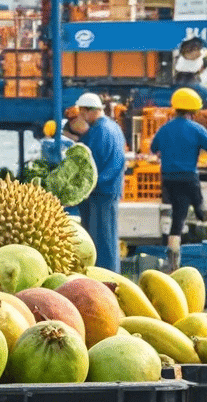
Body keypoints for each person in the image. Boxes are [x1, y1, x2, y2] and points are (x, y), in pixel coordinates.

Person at [150, 87, 207, 270]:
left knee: (179, 215)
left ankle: (173, 256)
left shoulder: (165, 129)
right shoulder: (195, 129)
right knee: (201, 211)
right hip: (189, 178)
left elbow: (153, 147)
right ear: (194, 112)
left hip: (169, 179)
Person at [75, 92, 126, 272]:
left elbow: (89, 162)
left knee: (102, 242)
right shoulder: (113, 127)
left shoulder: (99, 131)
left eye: (81, 112)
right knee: (106, 239)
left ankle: (106, 280)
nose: (81, 117)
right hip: (108, 189)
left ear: (89, 111)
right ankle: (109, 278)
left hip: (100, 191)